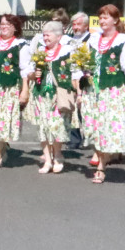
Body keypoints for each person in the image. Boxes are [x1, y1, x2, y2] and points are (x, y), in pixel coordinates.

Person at [79, 4, 125, 183]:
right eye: (100, 17)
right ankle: (101, 158)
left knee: (108, 128)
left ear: (115, 20)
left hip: (114, 91)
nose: (102, 20)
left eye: (106, 17)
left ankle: (101, 166)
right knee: (93, 127)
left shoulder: (124, 42)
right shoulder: (92, 39)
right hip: (93, 90)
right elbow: (82, 63)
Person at [0, 14, 33, 169]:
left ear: (15, 27)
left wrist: (25, 91)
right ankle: (3, 147)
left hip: (8, 90)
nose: (4, 26)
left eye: (8, 24)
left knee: (1, 123)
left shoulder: (20, 45)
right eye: (2, 24)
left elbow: (25, 70)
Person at [29, 21, 79, 174]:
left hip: (60, 95)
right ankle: (47, 160)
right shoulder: (40, 52)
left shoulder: (68, 51)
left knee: (57, 127)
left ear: (59, 36)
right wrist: (34, 75)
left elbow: (76, 73)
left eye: (48, 34)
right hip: (42, 95)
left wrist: (79, 92)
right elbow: (29, 74)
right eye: (43, 35)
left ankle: (57, 155)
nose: (45, 38)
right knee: (43, 128)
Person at [67, 12, 92, 149]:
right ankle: (74, 139)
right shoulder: (69, 39)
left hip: (84, 78)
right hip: (71, 77)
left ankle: (89, 137)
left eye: (78, 24)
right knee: (72, 109)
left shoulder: (90, 40)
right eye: (74, 24)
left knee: (84, 109)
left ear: (86, 26)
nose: (75, 27)